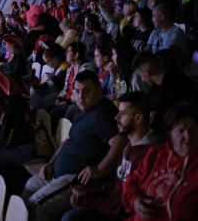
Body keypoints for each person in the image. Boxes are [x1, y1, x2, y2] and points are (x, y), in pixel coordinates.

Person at [22, 71, 126, 221]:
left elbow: (119, 142)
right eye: (77, 91)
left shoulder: (102, 113)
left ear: (98, 89)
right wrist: (50, 164)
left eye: (87, 91)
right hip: (56, 174)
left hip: (73, 179)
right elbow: (66, 142)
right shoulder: (84, 112)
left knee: (36, 205)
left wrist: (99, 170)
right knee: (29, 187)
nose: (81, 97)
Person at [62, 91, 160, 221]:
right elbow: (116, 184)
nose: (116, 117)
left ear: (138, 118)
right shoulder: (129, 144)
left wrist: (91, 201)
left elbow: (125, 203)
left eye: (123, 114)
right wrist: (88, 194)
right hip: (110, 204)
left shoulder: (150, 153)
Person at [121, 102, 198, 221]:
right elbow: (131, 181)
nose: (188, 136)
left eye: (193, 129)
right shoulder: (156, 154)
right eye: (181, 131)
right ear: (170, 134)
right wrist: (135, 200)